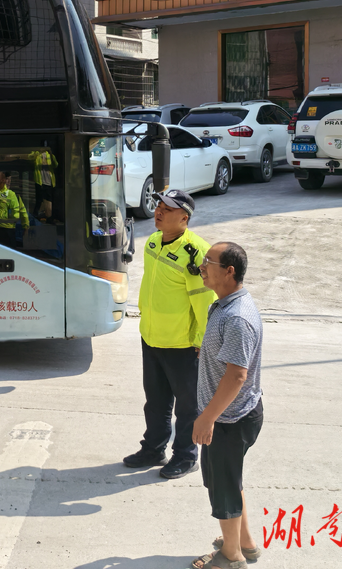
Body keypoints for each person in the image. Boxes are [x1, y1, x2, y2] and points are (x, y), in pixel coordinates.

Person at [123, 189, 215, 479]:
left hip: (182, 344)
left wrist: (202, 342)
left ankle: (186, 456)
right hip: (151, 337)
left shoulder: (197, 252)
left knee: (188, 406)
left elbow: (205, 303)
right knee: (156, 400)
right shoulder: (152, 242)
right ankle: (153, 448)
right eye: (159, 205)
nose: (159, 211)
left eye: (168, 209)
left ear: (184, 218)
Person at [189, 242, 264, 569]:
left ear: (229, 271)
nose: (202, 266)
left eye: (208, 262)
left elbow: (236, 376)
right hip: (230, 415)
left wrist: (207, 418)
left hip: (229, 420)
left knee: (223, 490)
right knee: (229, 481)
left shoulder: (237, 317)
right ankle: (244, 543)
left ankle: (231, 557)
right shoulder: (224, 304)